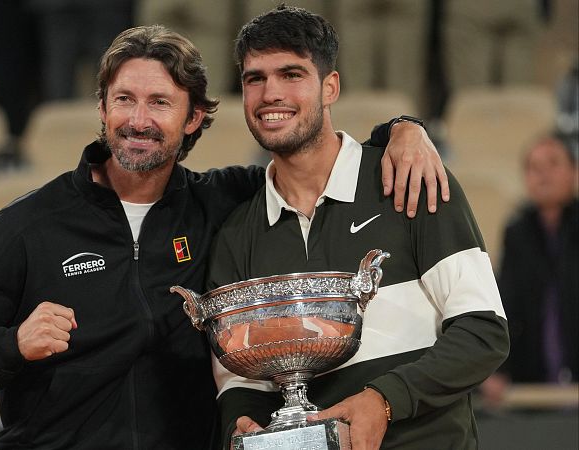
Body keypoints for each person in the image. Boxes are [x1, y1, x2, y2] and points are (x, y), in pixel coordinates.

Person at [0, 24, 449, 450]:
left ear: (194, 118)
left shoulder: (226, 202)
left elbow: (314, 154)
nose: (138, 120)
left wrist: (402, 129)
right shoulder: (28, 226)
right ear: (101, 109)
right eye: (123, 100)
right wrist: (11, 344)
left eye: (159, 103)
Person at [205, 6, 509, 450]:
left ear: (331, 87)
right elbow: (239, 382)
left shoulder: (410, 178)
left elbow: (484, 331)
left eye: (292, 74)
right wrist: (244, 427)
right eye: (255, 78)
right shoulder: (236, 233)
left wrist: (382, 401)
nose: (271, 93)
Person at [488, 133, 577, 395]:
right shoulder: (517, 233)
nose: (544, 175)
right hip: (529, 378)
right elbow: (507, 303)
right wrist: (498, 368)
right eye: (534, 168)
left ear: (574, 172)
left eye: (553, 164)